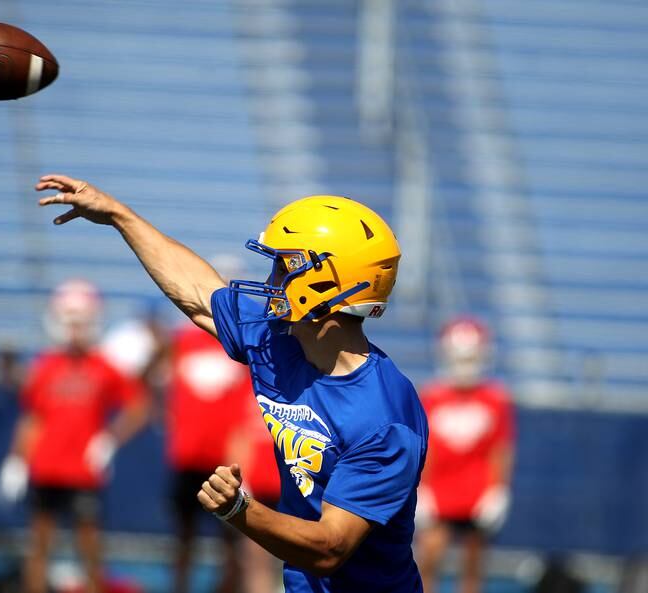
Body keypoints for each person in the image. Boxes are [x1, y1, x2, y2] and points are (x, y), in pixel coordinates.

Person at [36, 174, 428, 592]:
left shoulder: (384, 419)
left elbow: (330, 547)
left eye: (283, 267)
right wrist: (119, 215)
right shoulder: (280, 340)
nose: (271, 282)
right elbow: (197, 293)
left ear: (325, 284)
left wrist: (241, 510)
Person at [0, 279, 149, 593]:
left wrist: (110, 439)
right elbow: (32, 419)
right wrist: (17, 460)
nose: (76, 330)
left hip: (83, 472)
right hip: (46, 468)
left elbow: (140, 407)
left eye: (82, 322)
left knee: (89, 550)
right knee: (39, 545)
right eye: (70, 322)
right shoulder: (45, 367)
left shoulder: (105, 366)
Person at [415, 317, 515, 593]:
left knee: (473, 565)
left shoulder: (495, 398)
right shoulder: (432, 396)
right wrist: (422, 489)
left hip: (477, 492)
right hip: (440, 492)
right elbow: (427, 447)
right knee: (429, 559)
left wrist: (498, 490)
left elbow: (501, 448)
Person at [164, 319, 251, 593]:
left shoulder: (239, 345)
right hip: (188, 458)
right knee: (184, 538)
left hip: (223, 461)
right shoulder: (182, 340)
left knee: (232, 539)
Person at [227, 385, 282, 593]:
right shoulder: (245, 390)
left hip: (297, 489)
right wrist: (240, 485)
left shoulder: (307, 384)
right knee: (256, 560)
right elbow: (238, 436)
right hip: (258, 490)